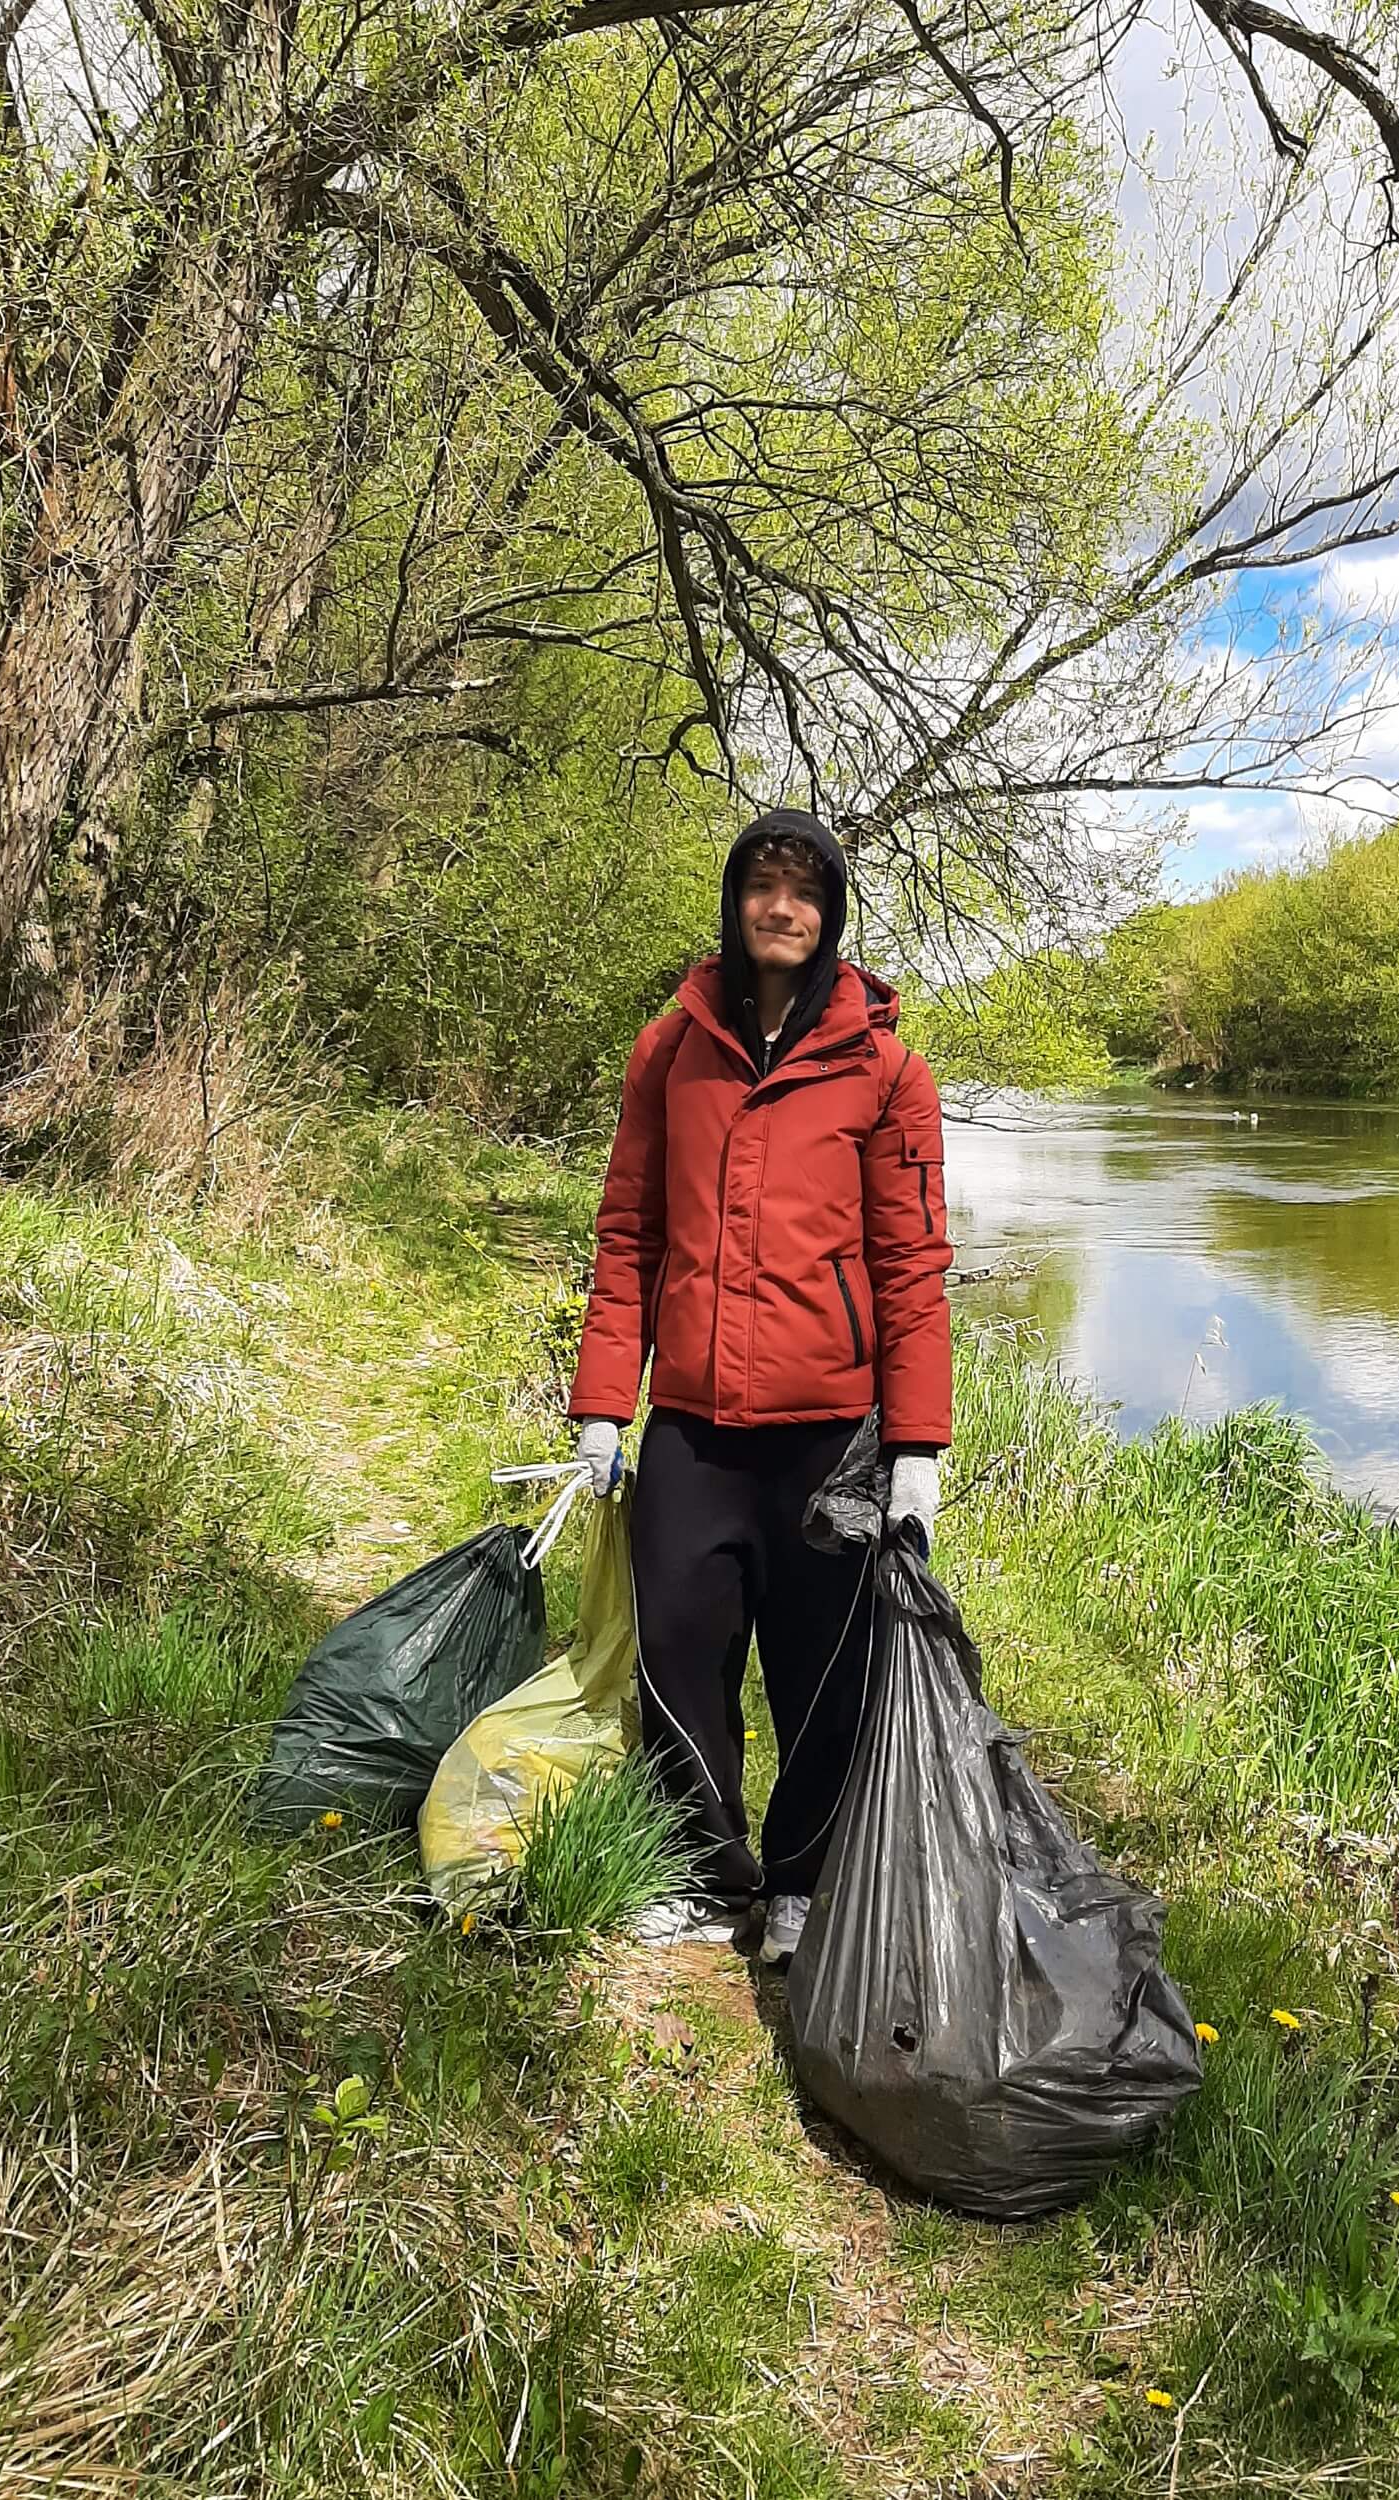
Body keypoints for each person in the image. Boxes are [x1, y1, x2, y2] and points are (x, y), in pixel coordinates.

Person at [567, 808, 952, 1960]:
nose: (781, 908)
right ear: (734, 901)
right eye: (761, 886)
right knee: (679, 1652)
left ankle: (799, 1883)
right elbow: (628, 1234)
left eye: (804, 891)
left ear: (830, 914)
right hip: (691, 1424)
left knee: (821, 1672)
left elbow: (911, 1265)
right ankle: (704, 1873)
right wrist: (603, 1405)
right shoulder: (668, 1052)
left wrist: (916, 1448)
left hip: (828, 1436)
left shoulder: (887, 1071)